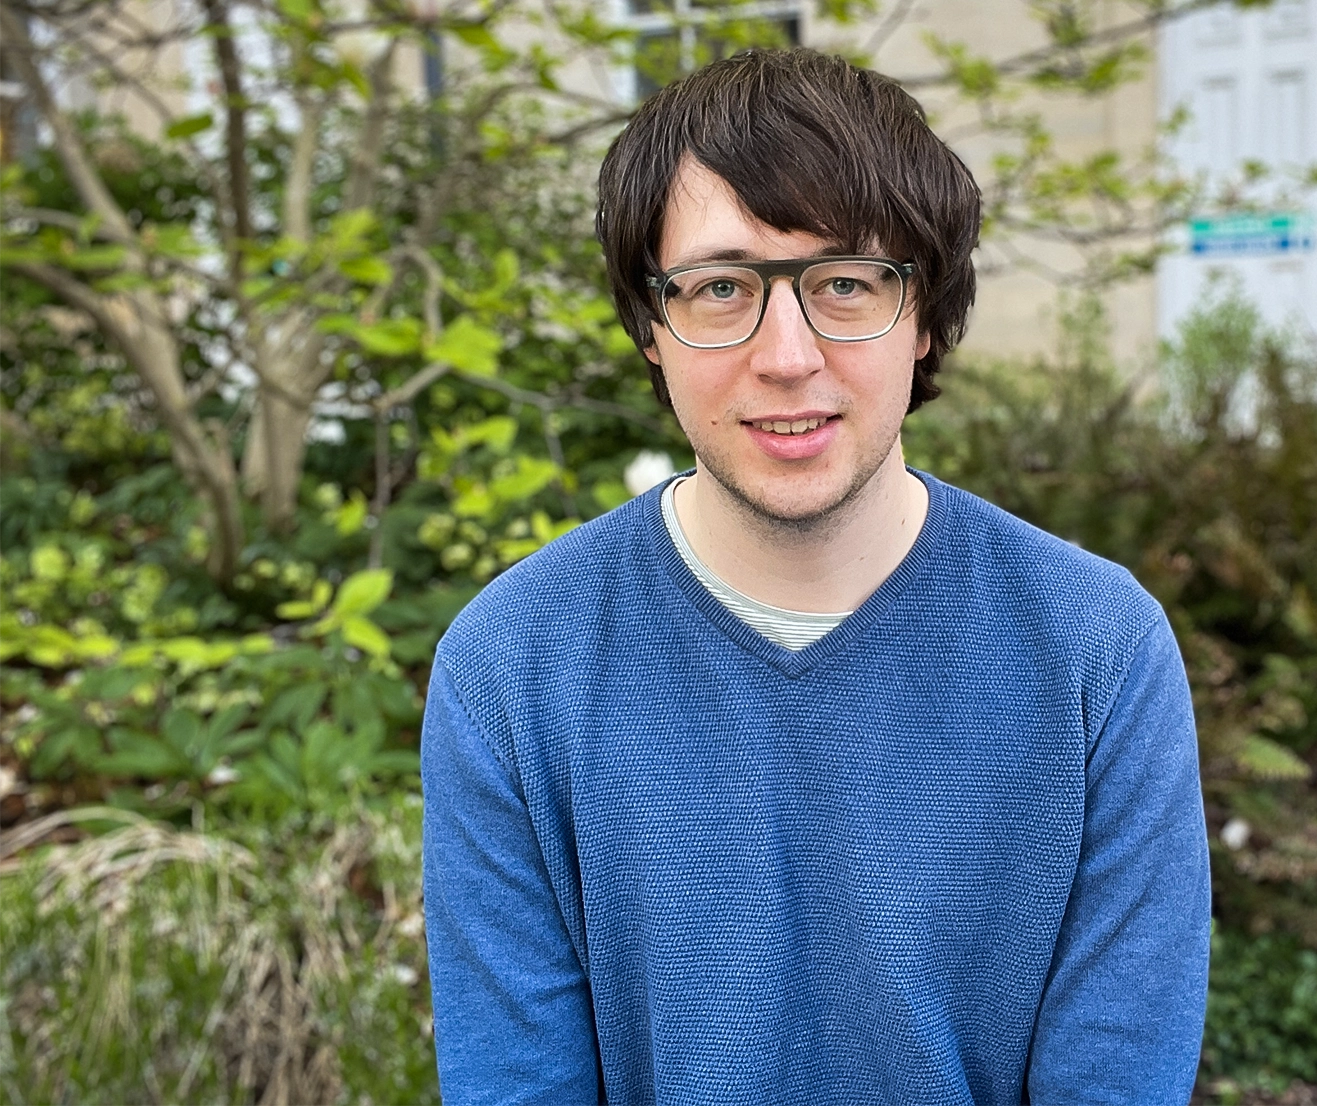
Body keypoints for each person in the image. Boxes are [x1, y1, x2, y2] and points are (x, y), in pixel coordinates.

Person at [421, 47, 1209, 1106]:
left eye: (845, 282)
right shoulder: (510, 666)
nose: (785, 353)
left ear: (925, 314)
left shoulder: (1096, 652)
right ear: (650, 326)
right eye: (719, 287)